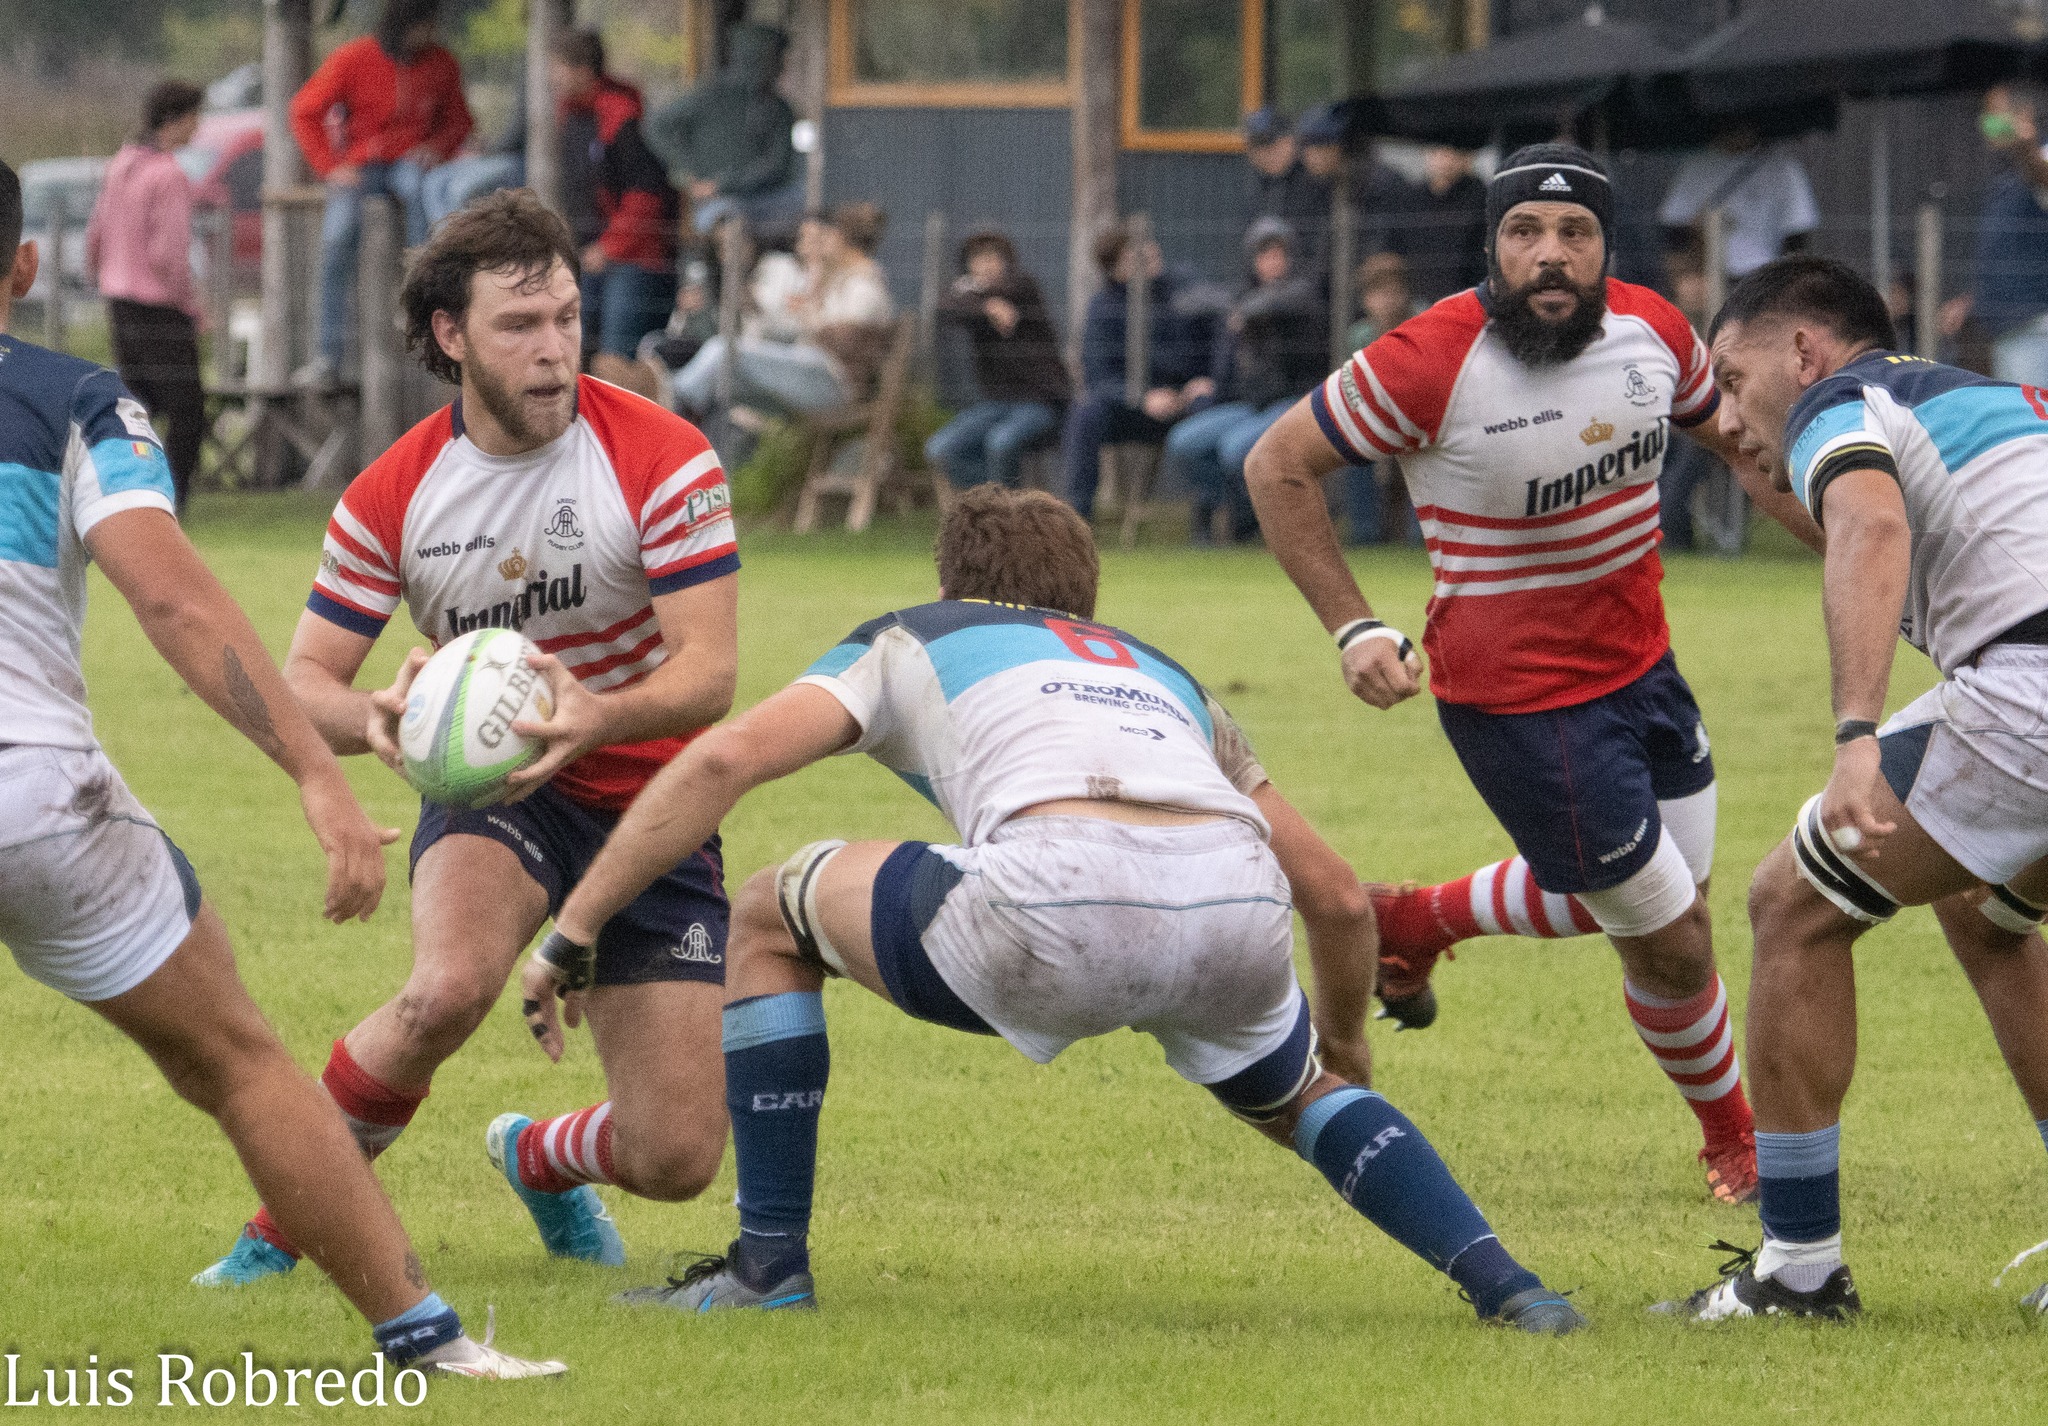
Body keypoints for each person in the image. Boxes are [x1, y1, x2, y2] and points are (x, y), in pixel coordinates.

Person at [515, 484, 1583, 1334]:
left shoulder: (910, 634)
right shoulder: (1159, 670)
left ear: (951, 581)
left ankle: (765, 1267)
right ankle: (1509, 1287)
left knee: (766, 908)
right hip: (1229, 896)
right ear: (1087, 597)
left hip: (1055, 894)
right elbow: (1340, 897)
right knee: (1297, 1093)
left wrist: (574, 929)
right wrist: (1340, 1035)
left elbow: (720, 759)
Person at [0, 158, 557, 1380]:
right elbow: (171, 596)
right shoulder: (73, 401)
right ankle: (427, 1341)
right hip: (31, 797)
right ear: (27, 268)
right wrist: (318, 769)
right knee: (245, 1062)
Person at [1245, 143, 1825, 1206]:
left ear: (1606, 248)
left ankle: (1412, 920)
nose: (1548, 256)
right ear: (1492, 244)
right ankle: (1739, 1143)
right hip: (1520, 708)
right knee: (1671, 942)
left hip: (1644, 672)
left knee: (1657, 899)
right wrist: (1351, 628)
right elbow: (1275, 463)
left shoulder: (1653, 330)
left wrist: (1851, 550)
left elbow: (1740, 452)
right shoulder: (1428, 359)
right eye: (1524, 233)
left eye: (1573, 235)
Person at [191, 190, 742, 1289]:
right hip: (498, 794)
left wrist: (599, 712)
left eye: (566, 320)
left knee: (677, 1159)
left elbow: (709, 674)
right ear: (450, 335)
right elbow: (306, 685)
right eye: (517, 326)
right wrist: (381, 719)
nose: (552, 352)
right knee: (444, 991)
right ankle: (274, 1235)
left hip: (650, 804)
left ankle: (536, 1158)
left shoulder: (664, 458)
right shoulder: (393, 494)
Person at [1659, 256, 2048, 1318]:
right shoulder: (1986, 403)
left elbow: (1866, 527)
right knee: (1985, 911)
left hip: (2033, 691)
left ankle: (1795, 1272)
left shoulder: (1842, 398)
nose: (1727, 412)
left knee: (1790, 906)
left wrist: (1854, 737)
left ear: (1801, 352)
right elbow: (1842, 517)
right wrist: (1742, 447)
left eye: (1731, 382)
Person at [290, 0, 474, 385]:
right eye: (427, 25)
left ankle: (416, 298)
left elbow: (460, 122)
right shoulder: (354, 58)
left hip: (409, 164)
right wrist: (329, 166)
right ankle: (328, 356)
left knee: (421, 196)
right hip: (359, 167)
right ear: (408, 26)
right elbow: (305, 110)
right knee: (336, 239)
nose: (432, 33)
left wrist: (437, 149)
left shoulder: (442, 62)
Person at [1165, 218, 1325, 544]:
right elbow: (1188, 303)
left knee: (1234, 449)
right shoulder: (1238, 298)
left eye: (1279, 254)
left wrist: (1245, 311)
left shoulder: (1303, 295)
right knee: (1183, 441)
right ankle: (1213, 514)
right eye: (1265, 255)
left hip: (1291, 401)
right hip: (1245, 405)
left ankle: (1246, 524)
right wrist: (1208, 384)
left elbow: (1282, 302)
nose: (1273, 262)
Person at [86, 80, 207, 512]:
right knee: (189, 413)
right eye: (195, 116)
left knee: (137, 408)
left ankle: (116, 492)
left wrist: (98, 274)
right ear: (177, 120)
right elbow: (169, 255)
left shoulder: (121, 164)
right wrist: (190, 304)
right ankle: (167, 501)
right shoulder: (169, 174)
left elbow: (95, 235)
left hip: (119, 300)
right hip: (160, 308)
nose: (198, 126)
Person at [668, 203, 893, 420]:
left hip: (835, 381)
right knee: (727, 380)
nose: (822, 244)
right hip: (819, 372)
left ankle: (668, 399)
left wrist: (808, 314)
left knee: (723, 349)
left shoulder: (864, 286)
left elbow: (844, 340)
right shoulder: (841, 281)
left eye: (828, 237)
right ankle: (674, 408)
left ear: (844, 241)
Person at [1064, 222, 1224, 519]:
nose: (1147, 254)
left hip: (1186, 400)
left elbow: (1220, 332)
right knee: (1084, 416)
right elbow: (1098, 377)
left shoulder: (1184, 285)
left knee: (1209, 415)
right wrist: (1139, 397)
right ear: (1115, 270)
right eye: (1133, 254)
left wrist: (1207, 380)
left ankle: (1209, 522)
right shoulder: (1103, 308)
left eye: (1147, 245)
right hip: (1133, 409)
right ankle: (1078, 521)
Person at [549, 30, 679, 365]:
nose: (553, 77)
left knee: (615, 358)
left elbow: (646, 194)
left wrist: (610, 247)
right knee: (578, 349)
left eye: (559, 67)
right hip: (591, 254)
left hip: (633, 258)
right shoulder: (570, 113)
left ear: (583, 70)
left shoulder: (620, 117)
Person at [925, 228, 1070, 490]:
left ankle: (1008, 512)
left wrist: (980, 301)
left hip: (1041, 403)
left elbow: (1008, 291)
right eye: (977, 259)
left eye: (992, 258)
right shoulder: (973, 302)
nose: (985, 266)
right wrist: (986, 307)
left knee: (1000, 442)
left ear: (1006, 262)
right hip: (996, 403)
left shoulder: (1024, 288)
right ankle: (993, 500)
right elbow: (945, 306)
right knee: (939, 449)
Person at [645, 23, 802, 238]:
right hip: (720, 204)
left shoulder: (781, 109)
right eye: (774, 59)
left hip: (768, 200)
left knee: (807, 203)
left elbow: (776, 165)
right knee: (725, 220)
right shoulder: (711, 95)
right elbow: (656, 126)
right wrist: (689, 170)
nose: (780, 67)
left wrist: (722, 184)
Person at [1944, 84, 2048, 386]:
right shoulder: (2003, 179)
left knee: (2036, 425)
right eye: (1986, 115)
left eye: (1996, 115)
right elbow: (2010, 250)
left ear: (2023, 116)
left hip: (2036, 330)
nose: (1988, 123)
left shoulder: (2038, 157)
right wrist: (1973, 300)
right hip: (2009, 332)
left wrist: (2025, 147)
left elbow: (2041, 177)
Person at [1657, 124, 1818, 284]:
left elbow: (1797, 233)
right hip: (1709, 276)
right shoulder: (1696, 166)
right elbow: (1675, 227)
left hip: (1763, 276)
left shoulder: (1784, 168)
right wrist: (1686, 275)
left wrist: (1785, 280)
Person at [1340, 253, 1420, 547]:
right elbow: (1352, 385)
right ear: (1365, 299)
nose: (1385, 300)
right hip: (1376, 417)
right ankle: (1364, 533)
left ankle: (1419, 535)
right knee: (1351, 448)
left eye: (1392, 291)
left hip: (1421, 416)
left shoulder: (1422, 322)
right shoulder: (1359, 335)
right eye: (1376, 292)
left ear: (1404, 293)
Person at [1381, 147, 1488, 306]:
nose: (1445, 158)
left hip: (1468, 298)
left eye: (1453, 150)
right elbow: (1394, 250)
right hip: (1417, 301)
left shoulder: (1481, 198)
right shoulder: (1409, 199)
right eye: (1438, 149)